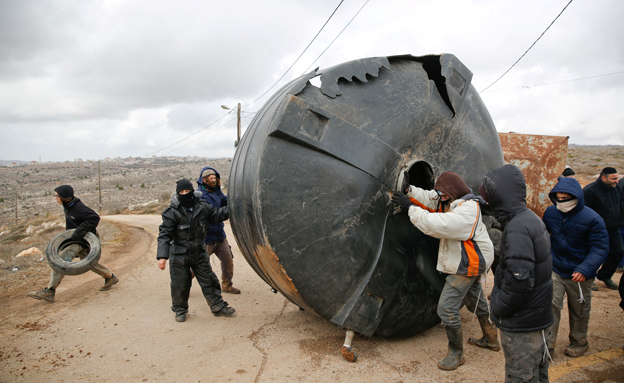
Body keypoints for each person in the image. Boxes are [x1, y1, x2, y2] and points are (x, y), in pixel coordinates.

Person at [393, 171, 497, 371]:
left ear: (454, 191)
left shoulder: (467, 211)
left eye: (443, 193)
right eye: (439, 192)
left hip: (469, 263)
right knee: (474, 298)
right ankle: (490, 337)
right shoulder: (452, 200)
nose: (440, 196)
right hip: (470, 260)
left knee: (446, 308)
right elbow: (430, 199)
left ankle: (456, 353)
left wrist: (410, 209)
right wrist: (409, 190)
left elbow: (437, 224)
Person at [481, 164, 552, 382]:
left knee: (520, 377)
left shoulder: (516, 229)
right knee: (538, 376)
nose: (487, 201)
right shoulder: (530, 219)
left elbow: (519, 283)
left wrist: (497, 308)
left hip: (523, 326)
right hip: (538, 319)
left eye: (489, 196)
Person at [542, 177, 608, 358]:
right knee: (551, 305)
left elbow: (600, 248)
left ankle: (579, 342)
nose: (561, 202)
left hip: (579, 273)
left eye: (566, 199)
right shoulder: (550, 213)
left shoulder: (593, 219)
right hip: (555, 269)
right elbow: (542, 234)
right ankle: (548, 345)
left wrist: (585, 269)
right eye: (558, 198)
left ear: (577, 197)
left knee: (579, 310)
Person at [157, 179, 235, 322]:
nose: (185, 194)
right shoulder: (171, 212)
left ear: (192, 191)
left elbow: (216, 215)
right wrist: (162, 257)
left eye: (187, 191)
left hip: (199, 252)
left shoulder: (203, 207)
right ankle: (180, 310)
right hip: (179, 256)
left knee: (209, 281)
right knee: (180, 284)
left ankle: (218, 306)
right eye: (182, 192)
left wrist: (233, 207)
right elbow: (164, 234)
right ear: (178, 193)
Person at [28, 185, 119, 303]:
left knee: (60, 262)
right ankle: (110, 277)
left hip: (81, 240)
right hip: (79, 239)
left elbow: (94, 217)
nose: (56, 198)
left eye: (58, 196)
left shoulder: (77, 207)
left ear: (67, 198)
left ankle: (50, 291)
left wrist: (77, 234)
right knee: (89, 262)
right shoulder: (69, 205)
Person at [196, 167, 240, 294]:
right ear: (204, 180)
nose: (213, 180)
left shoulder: (217, 192)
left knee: (228, 261)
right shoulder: (200, 196)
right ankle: (183, 287)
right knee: (198, 265)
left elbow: (225, 202)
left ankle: (227, 285)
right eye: (210, 178)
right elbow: (211, 214)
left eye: (214, 177)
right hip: (206, 238)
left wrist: (234, 197)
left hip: (220, 236)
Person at [583, 167, 624, 290]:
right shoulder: (590, 190)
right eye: (613, 178)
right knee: (592, 254)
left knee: (618, 252)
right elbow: (584, 211)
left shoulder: (617, 188)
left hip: (613, 228)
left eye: (617, 178)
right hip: (595, 230)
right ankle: (589, 277)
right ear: (603, 177)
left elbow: (621, 204)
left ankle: (605, 275)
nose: (616, 181)